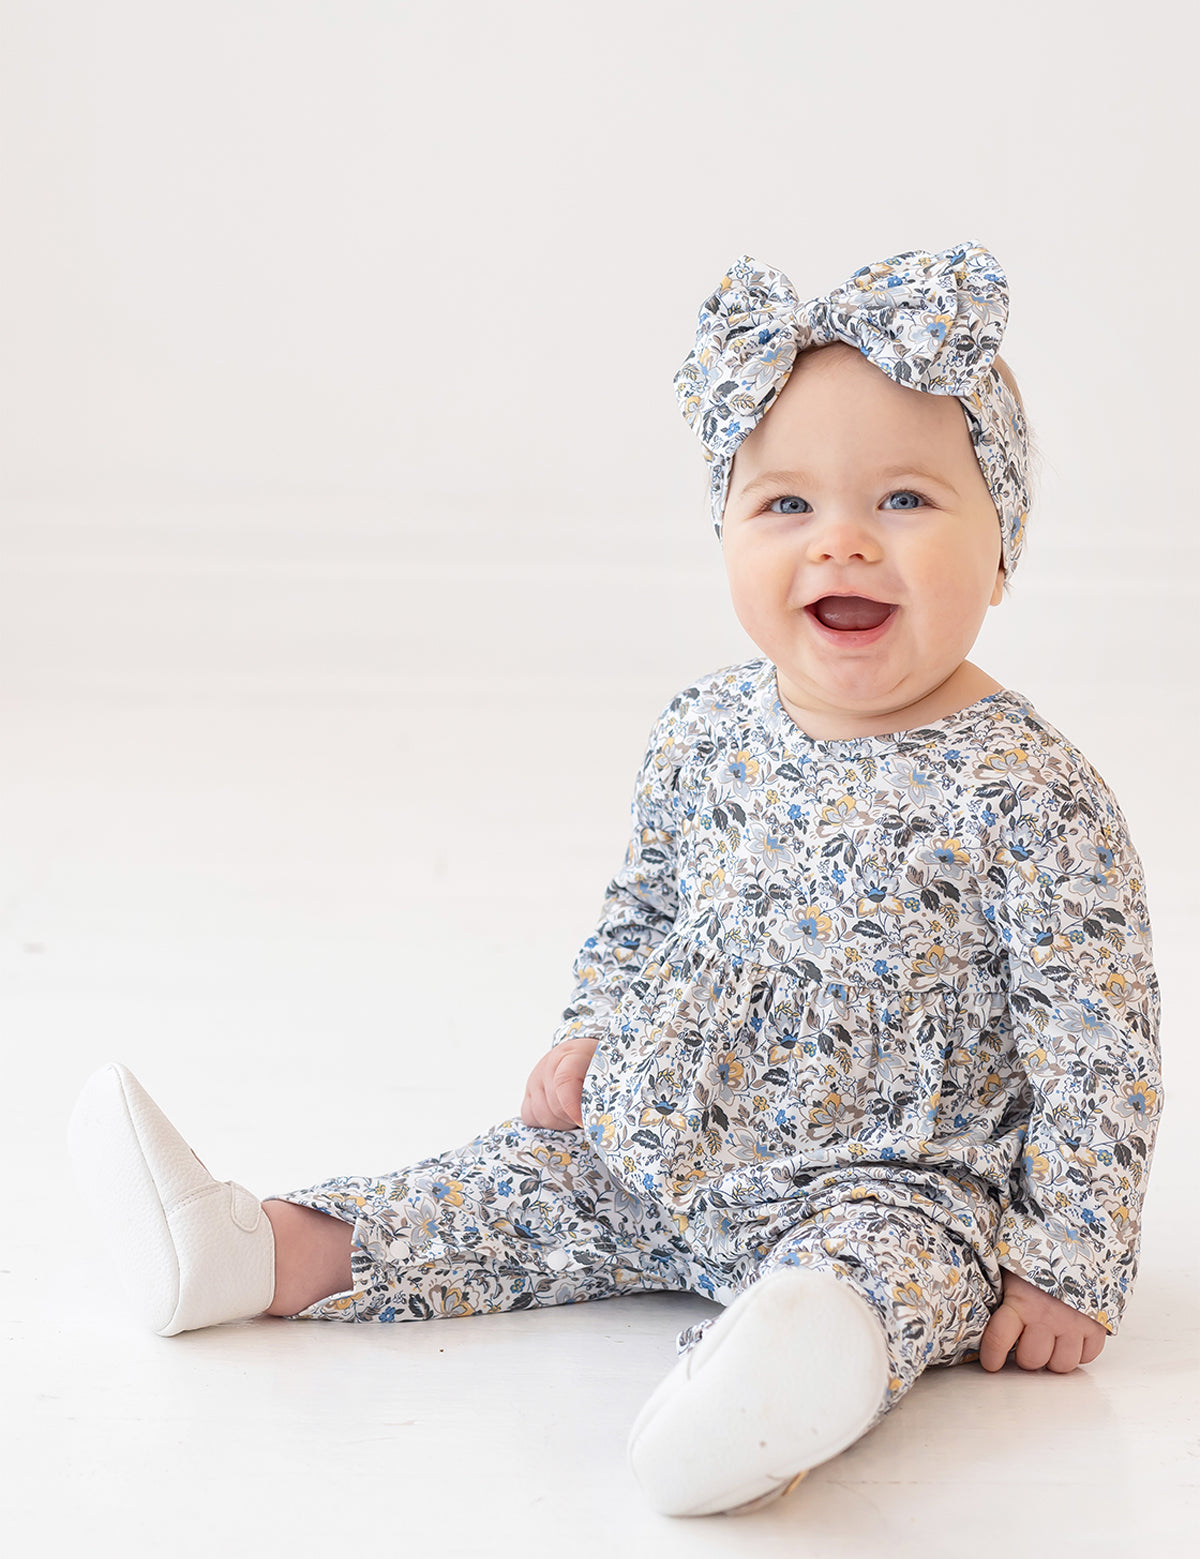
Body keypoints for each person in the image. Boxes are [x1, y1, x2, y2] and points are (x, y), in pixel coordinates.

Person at [67, 240, 1164, 1519]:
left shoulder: (1027, 789)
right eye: (786, 505)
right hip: (662, 1138)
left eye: (907, 499)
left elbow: (1101, 1043)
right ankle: (255, 1248)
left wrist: (1069, 1259)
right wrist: (591, 1030)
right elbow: (642, 911)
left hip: (896, 1174)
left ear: (1004, 543)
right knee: (495, 1190)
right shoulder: (704, 730)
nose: (844, 543)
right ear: (725, 530)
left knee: (886, 1275)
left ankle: (772, 1386)